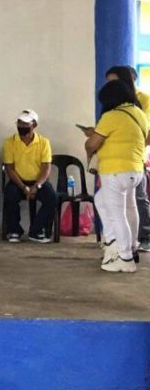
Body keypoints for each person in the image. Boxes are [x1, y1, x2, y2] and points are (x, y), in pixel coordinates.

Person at [86, 79, 149, 273]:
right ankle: (126, 244)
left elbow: (92, 144)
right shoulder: (139, 114)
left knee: (117, 214)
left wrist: (90, 142)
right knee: (107, 201)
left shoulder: (112, 116)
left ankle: (125, 258)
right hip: (135, 171)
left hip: (115, 171)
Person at [104, 66, 150, 252]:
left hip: (134, 158)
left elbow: (146, 132)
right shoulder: (114, 101)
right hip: (114, 160)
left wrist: (136, 148)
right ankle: (122, 243)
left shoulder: (143, 101)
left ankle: (140, 239)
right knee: (116, 203)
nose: (111, 86)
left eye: (114, 81)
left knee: (137, 199)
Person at [2, 109, 56, 243]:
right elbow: (10, 169)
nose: (22, 127)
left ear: (34, 125)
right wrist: (23, 187)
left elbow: (46, 168)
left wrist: (36, 186)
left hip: (38, 181)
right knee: (10, 195)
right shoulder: (10, 142)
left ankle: (36, 231)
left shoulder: (44, 142)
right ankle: (14, 230)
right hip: (17, 181)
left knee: (52, 198)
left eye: (25, 124)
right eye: (19, 123)